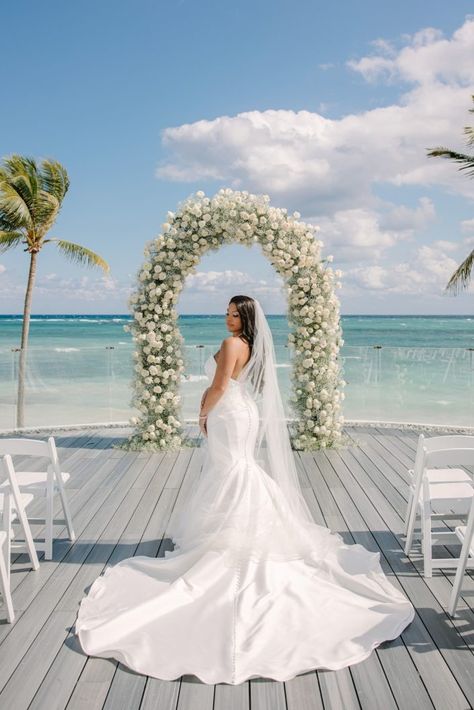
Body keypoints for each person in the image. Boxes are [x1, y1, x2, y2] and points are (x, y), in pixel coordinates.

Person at [75, 294, 414, 685]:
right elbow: (239, 383)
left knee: (233, 470)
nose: (228, 319)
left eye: (235, 314)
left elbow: (220, 385)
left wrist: (202, 411)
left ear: (246, 317)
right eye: (227, 313)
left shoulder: (230, 345)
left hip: (228, 413)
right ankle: (248, 529)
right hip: (244, 413)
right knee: (240, 469)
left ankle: (233, 539)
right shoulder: (251, 345)